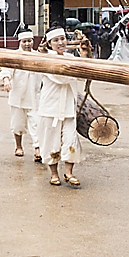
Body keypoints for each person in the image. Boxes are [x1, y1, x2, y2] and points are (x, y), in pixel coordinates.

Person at [37, 27, 86, 187]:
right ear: (49, 43)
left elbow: (81, 72)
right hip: (50, 106)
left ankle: (69, 173)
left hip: (68, 107)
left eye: (63, 38)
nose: (60, 43)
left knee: (71, 139)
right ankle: (53, 174)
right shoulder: (44, 59)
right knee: (51, 141)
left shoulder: (71, 57)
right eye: (56, 40)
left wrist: (84, 56)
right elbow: (61, 76)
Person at [0, 30, 41, 161]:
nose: (27, 44)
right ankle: (18, 146)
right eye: (24, 41)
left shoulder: (39, 56)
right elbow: (6, 69)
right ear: (20, 42)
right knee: (17, 124)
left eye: (29, 41)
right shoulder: (14, 56)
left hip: (35, 97)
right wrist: (6, 80)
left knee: (37, 123)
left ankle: (37, 149)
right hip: (17, 96)